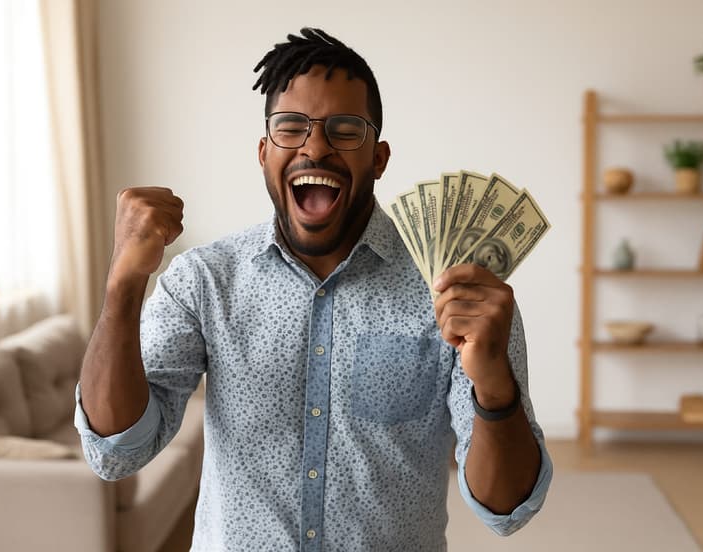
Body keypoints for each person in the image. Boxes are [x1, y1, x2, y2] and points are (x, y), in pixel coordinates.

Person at [75, 27, 552, 551]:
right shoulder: (204, 281)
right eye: (291, 126)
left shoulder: (459, 295)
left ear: (379, 158)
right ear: (263, 151)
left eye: (345, 129)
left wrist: (495, 388)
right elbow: (117, 451)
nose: (316, 146)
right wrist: (123, 287)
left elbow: (505, 509)